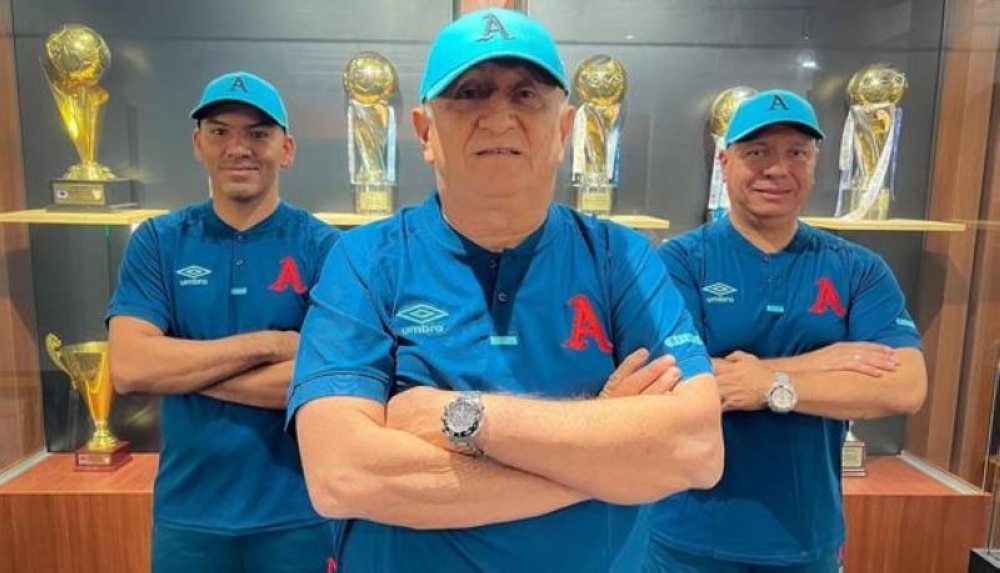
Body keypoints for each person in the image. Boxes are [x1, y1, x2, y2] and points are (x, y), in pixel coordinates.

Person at [288, 8, 723, 573]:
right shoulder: (365, 260)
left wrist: (463, 418)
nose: (498, 117)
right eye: (469, 93)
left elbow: (695, 450)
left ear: (564, 129)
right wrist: (605, 456)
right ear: (425, 132)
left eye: (526, 95)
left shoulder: (621, 258)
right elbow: (343, 475)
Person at [646, 89, 928, 573]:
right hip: (686, 535)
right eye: (757, 152)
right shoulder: (679, 262)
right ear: (725, 162)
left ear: (815, 162)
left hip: (806, 540)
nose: (778, 169)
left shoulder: (857, 268)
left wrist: (772, 383)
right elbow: (674, 383)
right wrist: (822, 361)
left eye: (796, 152)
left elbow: (906, 386)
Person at [107, 71, 340, 572]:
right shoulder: (158, 241)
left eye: (258, 133)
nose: (238, 148)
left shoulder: (325, 247)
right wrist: (268, 344)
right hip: (188, 518)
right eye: (219, 132)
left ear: (286, 149)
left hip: (300, 512)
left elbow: (322, 382)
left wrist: (182, 372)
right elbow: (129, 367)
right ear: (198, 144)